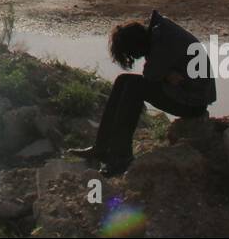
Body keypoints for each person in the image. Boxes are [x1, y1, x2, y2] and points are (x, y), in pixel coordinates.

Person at [67, 10, 216, 175]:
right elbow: (156, 72)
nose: (137, 58)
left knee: (134, 88)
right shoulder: (158, 33)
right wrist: (166, 75)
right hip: (185, 91)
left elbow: (150, 74)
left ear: (137, 46)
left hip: (193, 102)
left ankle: (121, 157)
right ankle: (101, 147)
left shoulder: (163, 39)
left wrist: (163, 74)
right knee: (123, 80)